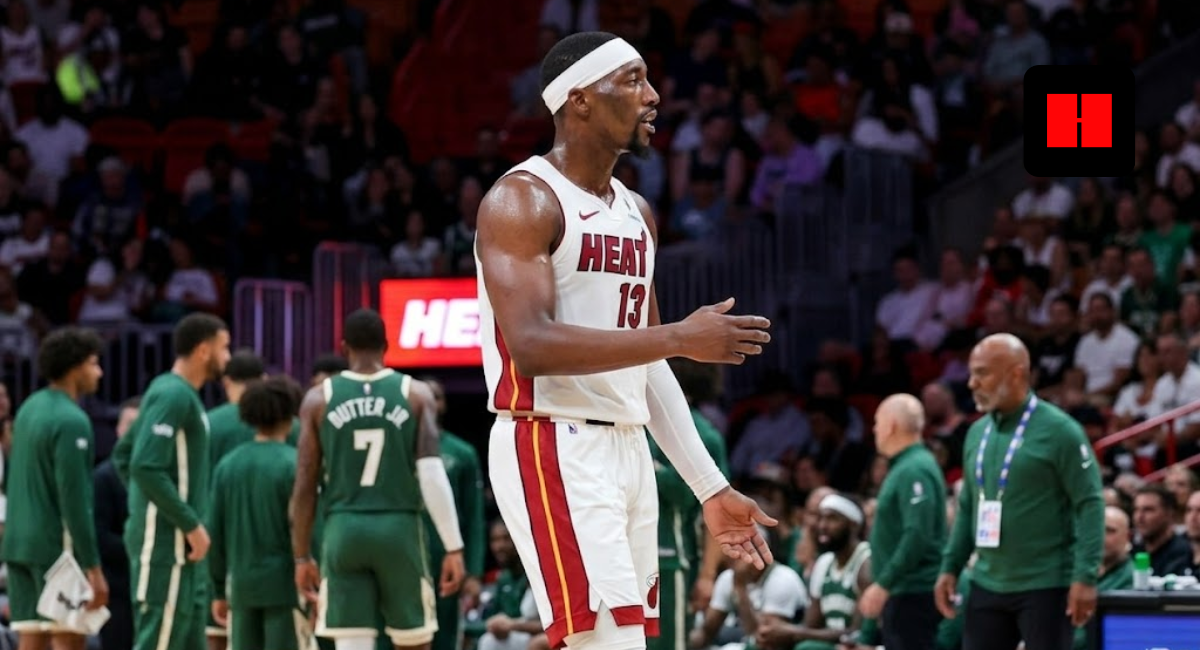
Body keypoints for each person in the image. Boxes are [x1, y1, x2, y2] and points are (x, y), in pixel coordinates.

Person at [474, 30, 775, 650]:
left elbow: (650, 361)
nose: (653, 95)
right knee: (605, 643)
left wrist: (710, 487)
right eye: (633, 79)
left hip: (629, 447)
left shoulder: (637, 212)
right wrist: (678, 336)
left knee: (626, 641)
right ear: (579, 99)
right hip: (553, 439)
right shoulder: (522, 199)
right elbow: (530, 344)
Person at [291, 308, 467, 650]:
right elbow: (431, 474)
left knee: (351, 643)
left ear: (344, 347)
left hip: (344, 529)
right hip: (399, 529)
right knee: (413, 641)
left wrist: (301, 556)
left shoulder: (318, 398)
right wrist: (453, 546)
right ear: (386, 346)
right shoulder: (416, 393)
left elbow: (304, 484)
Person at [936, 333, 1104, 650]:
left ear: (1016, 374)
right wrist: (950, 566)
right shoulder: (976, 433)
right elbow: (968, 506)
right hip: (986, 581)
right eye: (972, 373)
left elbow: (1090, 504)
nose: (972, 383)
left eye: (982, 373)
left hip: (1046, 583)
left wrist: (1085, 576)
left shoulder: (1061, 431)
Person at [113, 313, 232, 650]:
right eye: (224, 347)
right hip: (167, 545)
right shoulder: (172, 394)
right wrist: (188, 522)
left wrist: (149, 502)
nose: (228, 356)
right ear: (203, 350)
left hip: (183, 548)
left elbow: (123, 455)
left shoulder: (177, 393)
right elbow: (144, 465)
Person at [1, 327, 108, 648]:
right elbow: (75, 501)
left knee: (31, 639)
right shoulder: (71, 420)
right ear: (75, 368)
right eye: (93, 363)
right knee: (70, 641)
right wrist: (93, 567)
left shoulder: (28, 408)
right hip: (55, 549)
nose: (99, 372)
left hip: (17, 545)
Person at [208, 377, 307, 650]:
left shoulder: (227, 466)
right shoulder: (294, 465)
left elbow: (215, 532)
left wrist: (218, 589)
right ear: (290, 416)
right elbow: (309, 528)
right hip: (286, 589)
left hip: (241, 587)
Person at [859, 394, 946, 650]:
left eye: (877, 422)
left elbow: (917, 534)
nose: (874, 430)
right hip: (905, 591)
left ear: (892, 426)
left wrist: (883, 583)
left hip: (913, 592)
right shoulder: (907, 466)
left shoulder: (914, 468)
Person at [418, 377, 487, 650]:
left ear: (444, 404)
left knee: (445, 635)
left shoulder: (462, 453)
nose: (429, 402)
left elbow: (474, 514)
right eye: (424, 395)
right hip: (406, 553)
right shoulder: (398, 447)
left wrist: (475, 571)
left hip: (447, 556)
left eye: (435, 396)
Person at [754, 493, 873, 650]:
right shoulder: (824, 563)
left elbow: (858, 632)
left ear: (853, 525)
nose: (822, 526)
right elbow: (811, 626)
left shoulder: (866, 561)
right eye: (821, 518)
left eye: (832, 519)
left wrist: (791, 631)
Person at [95, 395, 142, 650]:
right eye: (129, 425)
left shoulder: (155, 475)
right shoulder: (103, 477)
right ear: (118, 429)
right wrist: (139, 545)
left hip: (147, 586)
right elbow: (100, 536)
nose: (134, 432)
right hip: (117, 587)